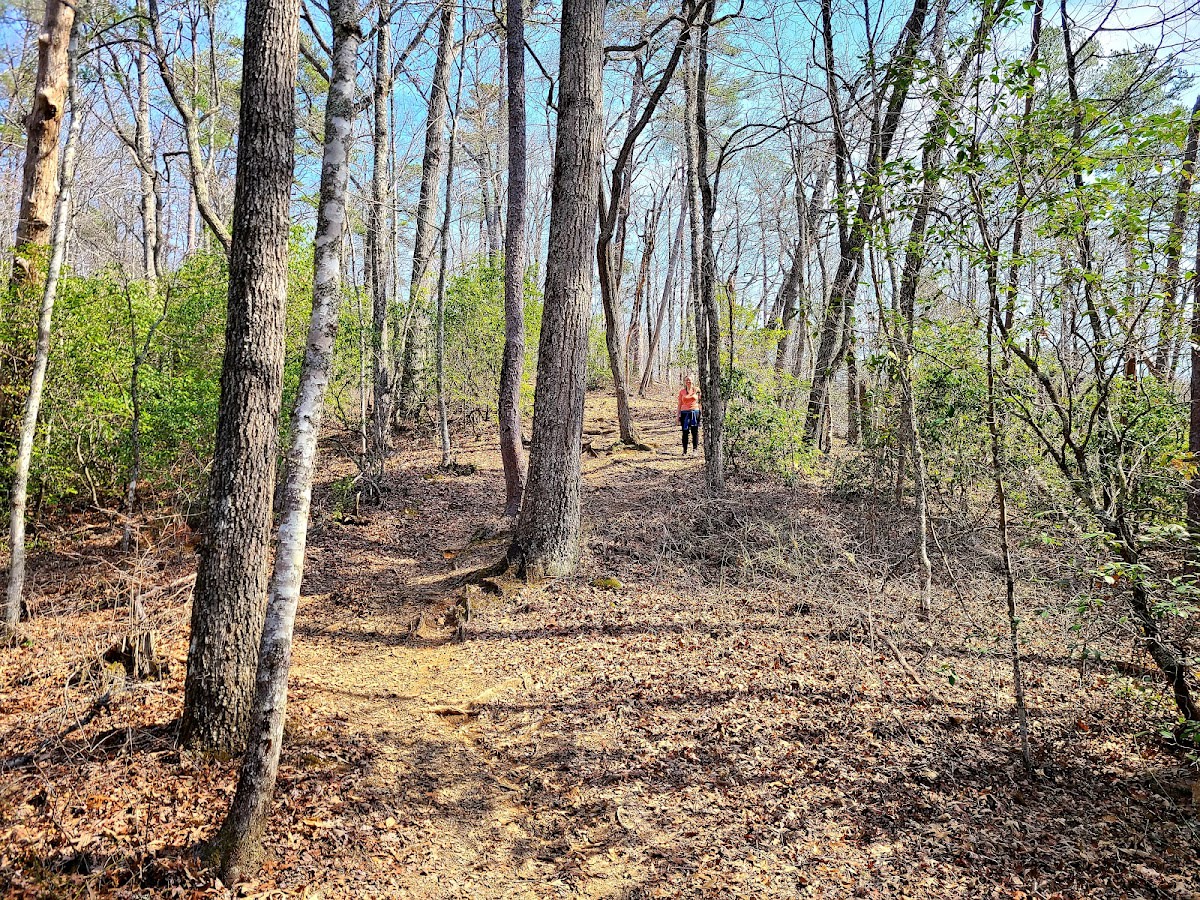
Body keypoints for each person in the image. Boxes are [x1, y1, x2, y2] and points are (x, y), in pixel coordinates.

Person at [677, 376, 701, 455]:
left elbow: (700, 401)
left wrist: (701, 412)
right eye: (687, 380)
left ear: (692, 381)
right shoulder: (682, 392)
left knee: (694, 431)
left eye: (690, 380)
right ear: (684, 382)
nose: (688, 381)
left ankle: (695, 450)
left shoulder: (697, 390)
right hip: (684, 413)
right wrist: (678, 415)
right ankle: (685, 450)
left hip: (695, 411)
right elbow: (680, 404)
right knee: (685, 432)